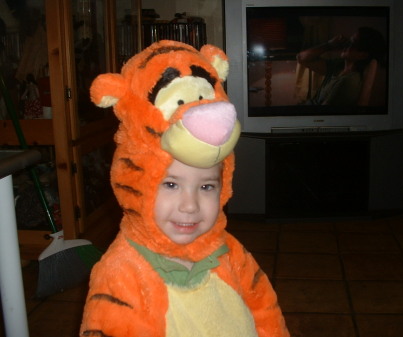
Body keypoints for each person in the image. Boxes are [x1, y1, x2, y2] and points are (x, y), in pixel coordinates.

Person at [79, 40, 289, 337]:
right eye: (171, 184)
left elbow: (265, 311)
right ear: (136, 182)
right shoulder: (120, 273)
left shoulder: (228, 250)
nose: (189, 205)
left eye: (206, 186)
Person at [296, 26, 386, 106]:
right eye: (349, 40)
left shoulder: (349, 82)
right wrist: (329, 45)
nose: (347, 44)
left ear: (363, 55)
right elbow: (301, 58)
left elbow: (324, 116)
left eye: (353, 43)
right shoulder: (339, 66)